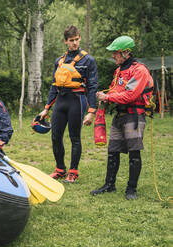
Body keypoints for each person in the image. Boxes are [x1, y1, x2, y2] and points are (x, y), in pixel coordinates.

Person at [91, 36, 154, 200]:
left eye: (116, 53)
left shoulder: (139, 70)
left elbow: (131, 95)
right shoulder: (119, 71)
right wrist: (105, 95)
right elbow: (116, 90)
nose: (113, 56)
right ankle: (109, 185)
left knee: (134, 153)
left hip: (134, 116)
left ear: (126, 53)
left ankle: (131, 190)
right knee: (113, 151)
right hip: (119, 116)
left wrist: (108, 98)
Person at [38, 25, 98, 183]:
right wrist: (46, 109)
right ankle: (60, 169)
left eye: (77, 39)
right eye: (71, 40)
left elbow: (92, 87)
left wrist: (91, 111)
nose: (75, 43)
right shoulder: (59, 61)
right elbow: (53, 85)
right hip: (61, 101)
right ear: (65, 41)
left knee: (75, 137)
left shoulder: (88, 60)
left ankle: (73, 172)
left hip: (77, 101)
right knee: (55, 137)